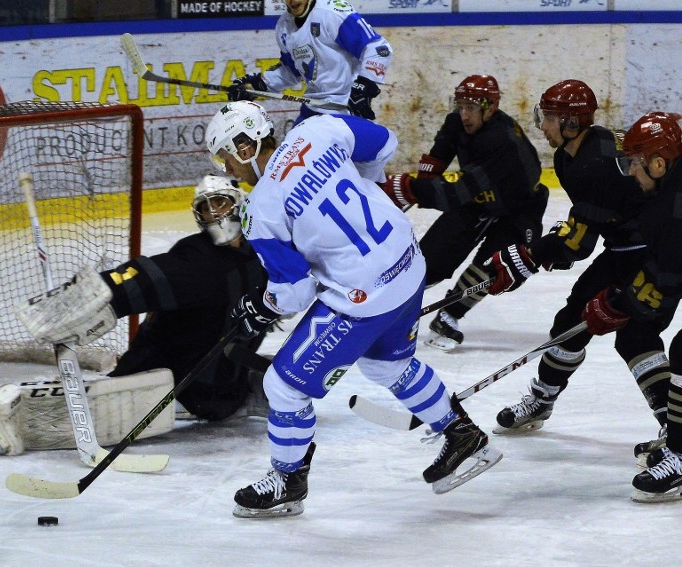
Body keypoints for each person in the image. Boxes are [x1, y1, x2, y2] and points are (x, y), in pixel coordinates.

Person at [204, 100, 502, 518]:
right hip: (407, 263)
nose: (226, 170)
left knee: (283, 387)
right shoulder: (317, 131)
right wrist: (361, 186)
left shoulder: (262, 209)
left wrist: (260, 304)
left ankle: (287, 480)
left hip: (364, 296)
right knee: (387, 367)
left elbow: (295, 292)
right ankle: (461, 433)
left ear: (244, 146)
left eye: (225, 157)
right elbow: (384, 142)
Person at [0, 174, 271, 455]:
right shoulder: (266, 254)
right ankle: (254, 390)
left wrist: (83, 299)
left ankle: (2, 424)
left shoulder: (200, 259)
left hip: (180, 385)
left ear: (238, 204)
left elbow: (141, 280)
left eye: (220, 203)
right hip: (224, 392)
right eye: (207, 207)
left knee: (155, 352)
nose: (215, 213)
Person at [486, 83, 673, 463]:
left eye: (550, 118)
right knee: (571, 321)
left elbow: (578, 244)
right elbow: (583, 228)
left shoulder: (594, 163)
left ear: (571, 122)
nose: (542, 125)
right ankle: (542, 400)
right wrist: (537, 253)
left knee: (636, 336)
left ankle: (675, 429)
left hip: (657, 252)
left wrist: (525, 257)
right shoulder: (574, 155)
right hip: (624, 247)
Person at [381, 74, 549, 351]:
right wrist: (417, 187)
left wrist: (409, 188)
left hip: (518, 209)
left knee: (493, 267)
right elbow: (435, 161)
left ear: (491, 108)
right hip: (480, 199)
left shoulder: (501, 141)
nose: (464, 115)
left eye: (471, 108)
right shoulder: (456, 123)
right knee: (429, 260)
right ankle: (385, 307)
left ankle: (449, 315)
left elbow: (457, 191)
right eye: (461, 106)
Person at [585, 111, 682, 502]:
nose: (630, 174)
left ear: (659, 162)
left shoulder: (673, 202)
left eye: (634, 164)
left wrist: (622, 300)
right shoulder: (668, 192)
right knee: (644, 338)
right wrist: (626, 298)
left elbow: (670, 273)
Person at [227, 0, 392, 123]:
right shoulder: (284, 26)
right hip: (312, 109)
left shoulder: (332, 13)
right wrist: (257, 85)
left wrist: (363, 88)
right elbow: (290, 71)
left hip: (346, 109)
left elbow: (378, 49)